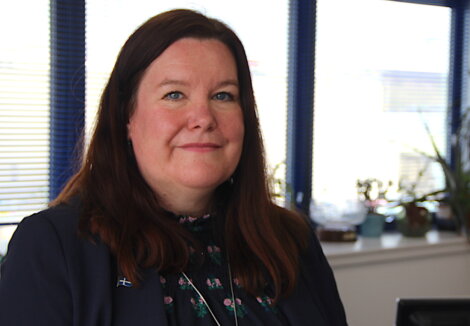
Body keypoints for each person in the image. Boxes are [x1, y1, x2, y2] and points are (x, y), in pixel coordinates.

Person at [0, 9, 347, 326]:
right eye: (174, 95)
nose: (203, 118)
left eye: (223, 95)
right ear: (126, 118)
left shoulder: (290, 239)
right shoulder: (51, 246)